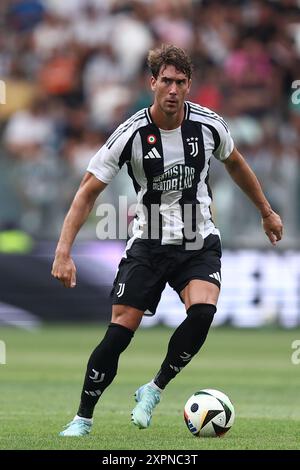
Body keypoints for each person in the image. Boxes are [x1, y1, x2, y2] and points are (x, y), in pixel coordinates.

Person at [51, 45, 283, 436]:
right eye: (166, 81)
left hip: (198, 240)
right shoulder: (130, 134)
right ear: (152, 82)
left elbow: (237, 164)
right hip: (149, 242)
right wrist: (63, 250)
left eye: (180, 82)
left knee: (204, 313)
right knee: (120, 333)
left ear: (189, 85)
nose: (172, 89)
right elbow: (88, 190)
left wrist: (266, 211)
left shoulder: (210, 126)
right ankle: (82, 418)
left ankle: (154, 388)